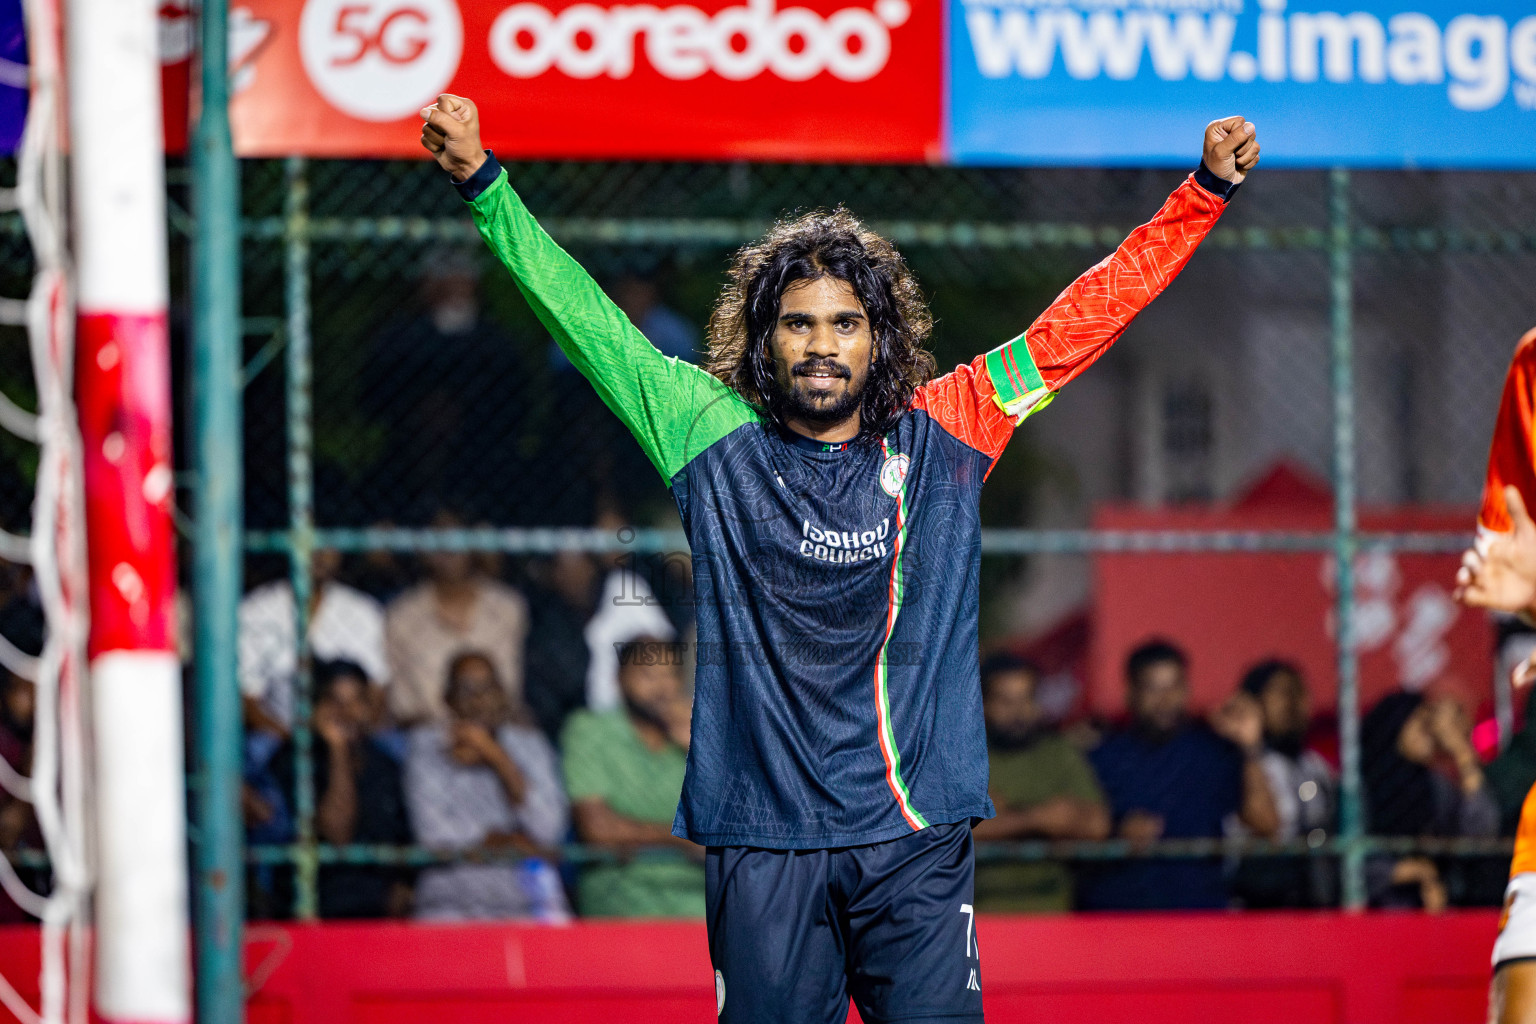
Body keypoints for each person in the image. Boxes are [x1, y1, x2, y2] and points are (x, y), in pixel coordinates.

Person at [422, 93, 1258, 1022]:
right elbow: (587, 322)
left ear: (879, 338)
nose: (822, 345)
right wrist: (482, 183)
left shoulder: (953, 429)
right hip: (762, 841)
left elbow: (1080, 323)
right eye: (799, 324)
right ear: (766, 340)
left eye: (845, 323)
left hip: (914, 838)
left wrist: (1201, 196)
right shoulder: (708, 433)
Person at [1078, 640, 1280, 910]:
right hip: (1117, 916)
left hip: (1198, 915)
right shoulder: (1099, 757)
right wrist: (1115, 836)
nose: (1164, 700)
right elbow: (1066, 832)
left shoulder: (1215, 751)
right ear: (1130, 693)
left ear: (1187, 689)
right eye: (1152, 688)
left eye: (1173, 687)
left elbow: (1266, 824)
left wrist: (1250, 749)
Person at [403, 652, 568, 921]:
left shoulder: (530, 745)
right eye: (466, 690)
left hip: (523, 895)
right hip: (453, 898)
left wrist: (495, 756)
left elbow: (548, 828)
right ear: (448, 699)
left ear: (502, 695)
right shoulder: (426, 747)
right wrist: (509, 842)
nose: (478, 700)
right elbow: (433, 835)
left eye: (487, 688)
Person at [561, 636, 704, 917]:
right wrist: (682, 838)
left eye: (670, 675)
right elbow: (598, 830)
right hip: (623, 897)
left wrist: (698, 750)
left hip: (699, 898)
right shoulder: (590, 731)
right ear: (618, 679)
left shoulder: (694, 735)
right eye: (648, 674)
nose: (662, 687)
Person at [263, 661, 413, 918]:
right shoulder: (292, 760)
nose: (346, 712)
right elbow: (337, 833)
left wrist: (405, 886)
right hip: (315, 901)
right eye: (333, 701)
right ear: (315, 708)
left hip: (379, 905)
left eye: (356, 701)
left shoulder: (384, 763)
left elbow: (406, 839)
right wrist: (338, 749)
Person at [971, 654, 1108, 913]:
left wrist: (999, 820)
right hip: (981, 914)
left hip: (1053, 911)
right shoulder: (964, 757)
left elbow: (1098, 825)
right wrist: (1038, 819)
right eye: (1005, 701)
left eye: (1027, 698)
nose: (1018, 712)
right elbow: (950, 831)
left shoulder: (1059, 753)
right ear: (983, 703)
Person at [385, 511, 530, 725]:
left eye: (457, 539)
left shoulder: (508, 608)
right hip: (428, 732)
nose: (448, 550)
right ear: (422, 551)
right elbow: (401, 706)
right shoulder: (401, 616)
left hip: (500, 727)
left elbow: (516, 692)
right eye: (438, 541)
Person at [238, 548, 387, 736]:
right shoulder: (255, 611)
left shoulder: (363, 611)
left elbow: (377, 691)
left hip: (351, 733)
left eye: (326, 545)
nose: (318, 554)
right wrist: (294, 744)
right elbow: (246, 699)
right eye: (308, 545)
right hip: (277, 734)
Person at [1230, 659, 1337, 908]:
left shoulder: (1316, 766)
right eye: (1280, 693)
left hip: (1312, 895)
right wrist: (1249, 747)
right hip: (1256, 897)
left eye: (1298, 693)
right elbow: (1264, 824)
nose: (1292, 703)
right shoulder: (1240, 763)